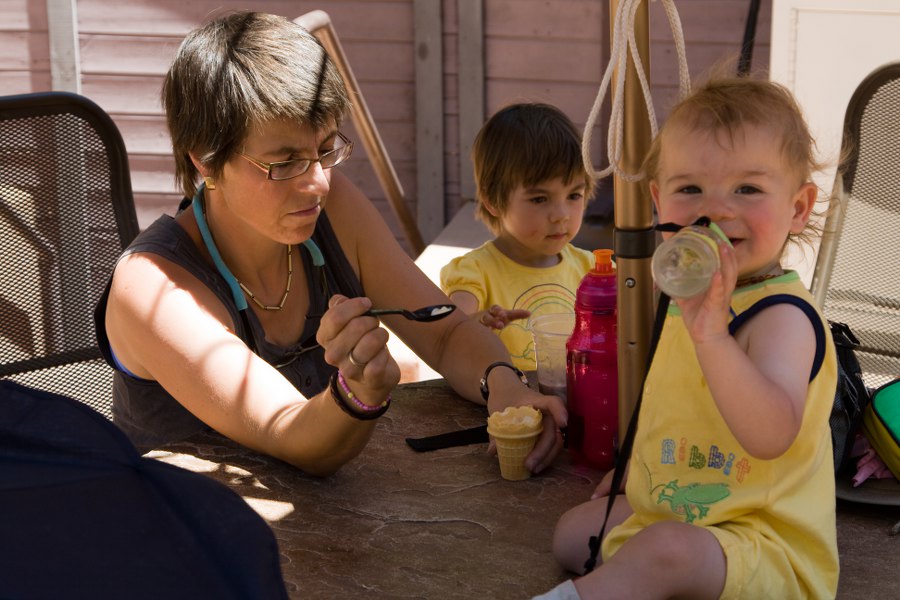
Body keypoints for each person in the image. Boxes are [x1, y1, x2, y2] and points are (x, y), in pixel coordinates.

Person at [95, 11, 565, 477]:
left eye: (324, 151)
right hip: (190, 539)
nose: (318, 183)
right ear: (205, 160)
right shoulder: (154, 289)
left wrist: (504, 386)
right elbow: (293, 435)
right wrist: (357, 393)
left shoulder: (332, 207)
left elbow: (444, 332)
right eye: (285, 162)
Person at [537, 75, 839, 599]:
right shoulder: (687, 297)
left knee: (667, 554)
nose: (716, 208)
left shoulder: (781, 316)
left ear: (797, 207)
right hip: (685, 504)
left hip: (758, 538)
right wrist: (640, 468)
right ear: (658, 202)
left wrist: (714, 336)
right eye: (690, 188)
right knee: (571, 535)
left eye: (747, 188)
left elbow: (770, 435)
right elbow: (676, 404)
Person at [439, 103, 596, 371]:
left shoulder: (591, 270)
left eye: (573, 196)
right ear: (492, 200)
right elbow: (451, 329)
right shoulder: (475, 272)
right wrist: (478, 322)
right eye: (539, 199)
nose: (561, 215)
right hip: (506, 407)